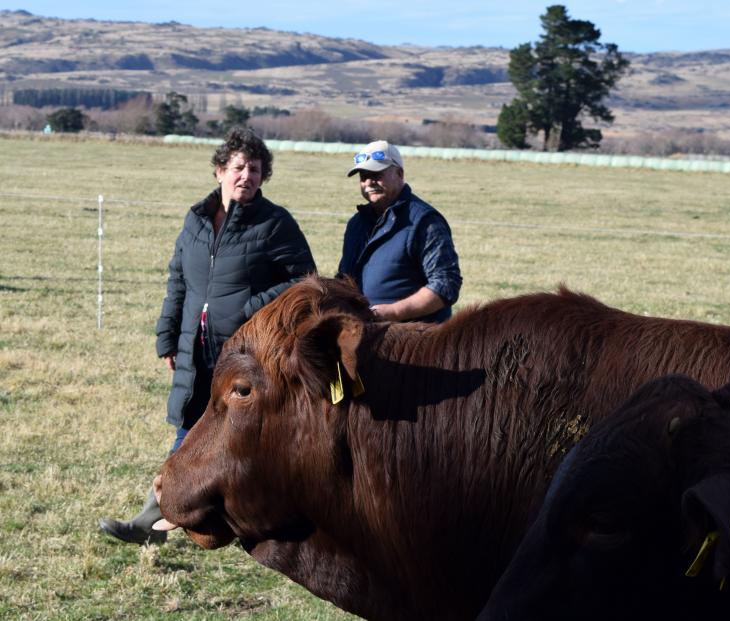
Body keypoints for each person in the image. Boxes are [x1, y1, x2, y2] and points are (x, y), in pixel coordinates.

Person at [99, 127, 316, 545]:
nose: (246, 176)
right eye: (238, 167)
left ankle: (172, 519)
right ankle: (163, 515)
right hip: (195, 349)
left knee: (239, 438)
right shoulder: (196, 220)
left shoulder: (274, 223)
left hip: (245, 355)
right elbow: (178, 280)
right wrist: (166, 335)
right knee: (190, 430)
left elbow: (303, 280)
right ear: (220, 170)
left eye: (255, 170)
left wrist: (250, 308)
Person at [337, 140, 462, 323]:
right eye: (363, 176)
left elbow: (446, 285)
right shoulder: (356, 224)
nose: (369, 182)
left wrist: (393, 312)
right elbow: (344, 279)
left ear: (399, 173)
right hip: (364, 335)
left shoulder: (424, 221)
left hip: (417, 341)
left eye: (377, 174)